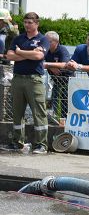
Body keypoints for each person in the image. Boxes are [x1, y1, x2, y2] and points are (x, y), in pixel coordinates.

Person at [3, 12, 50, 154]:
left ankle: (41, 144)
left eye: (30, 22)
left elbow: (39, 55)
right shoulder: (18, 38)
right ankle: (17, 142)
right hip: (18, 79)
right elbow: (9, 55)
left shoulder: (43, 39)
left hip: (34, 80)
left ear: (37, 24)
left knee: (39, 113)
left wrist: (20, 52)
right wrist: (29, 54)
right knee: (17, 112)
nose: (27, 25)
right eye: (25, 22)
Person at [42, 31, 73, 119]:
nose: (46, 43)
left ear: (56, 42)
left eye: (49, 41)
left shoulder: (62, 50)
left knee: (65, 102)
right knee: (55, 99)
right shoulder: (45, 50)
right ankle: (55, 118)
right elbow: (38, 61)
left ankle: (65, 119)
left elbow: (65, 64)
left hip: (67, 81)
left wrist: (48, 65)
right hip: (56, 81)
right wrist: (51, 67)